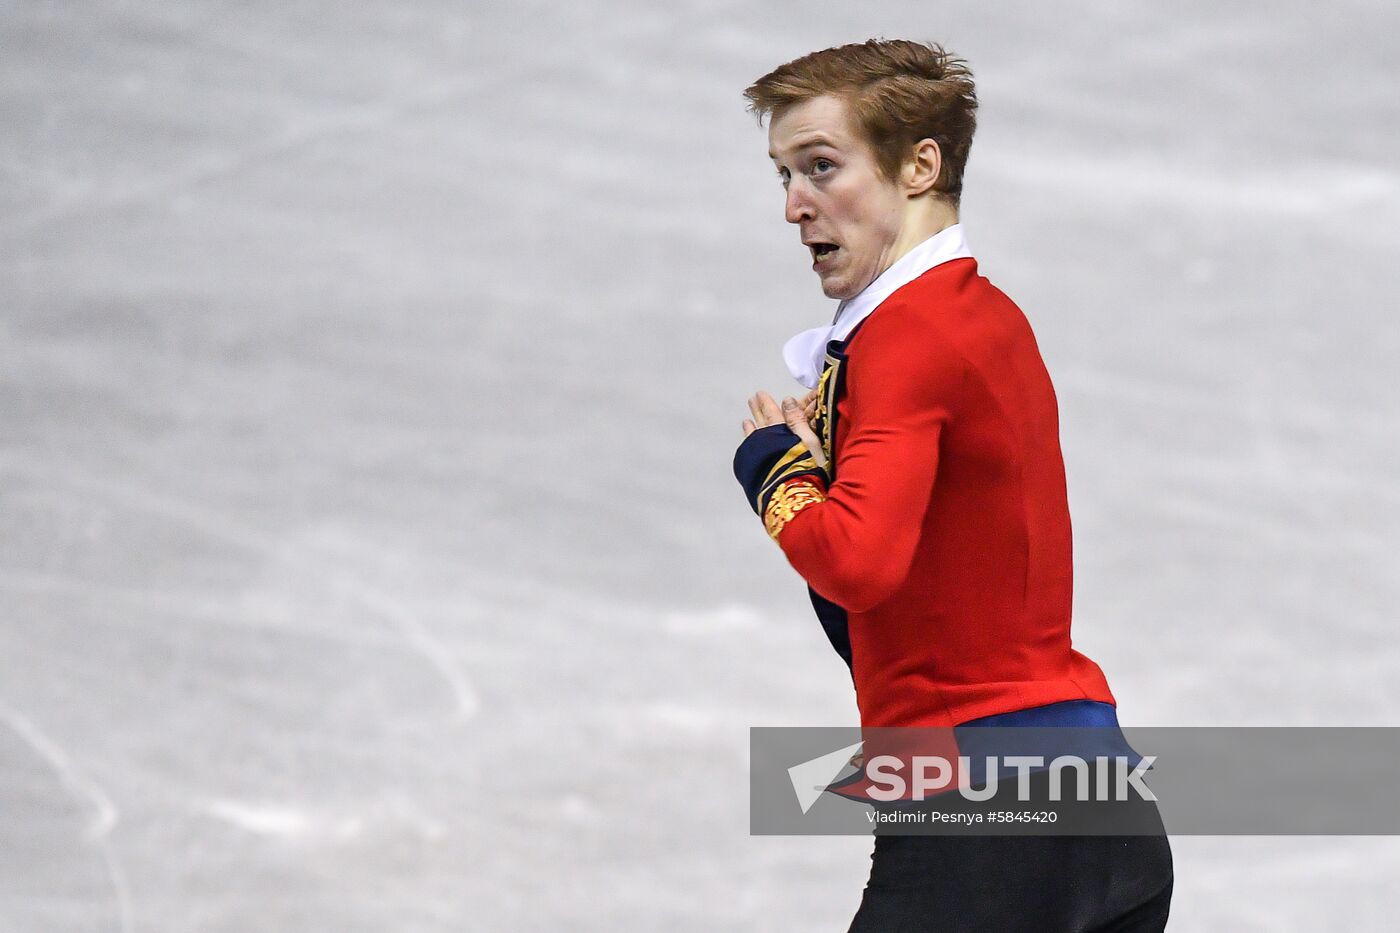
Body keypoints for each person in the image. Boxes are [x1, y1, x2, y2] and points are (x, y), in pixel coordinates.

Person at [731, 40, 1174, 931]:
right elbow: (889, 621)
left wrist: (772, 465)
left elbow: (857, 565)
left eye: (822, 166)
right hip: (1103, 809)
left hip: (986, 831)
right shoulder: (988, 317)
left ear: (919, 165)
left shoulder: (905, 338)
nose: (793, 206)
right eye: (784, 173)